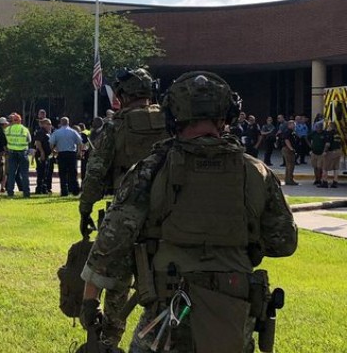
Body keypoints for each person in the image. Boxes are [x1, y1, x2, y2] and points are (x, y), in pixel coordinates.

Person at [79, 71, 298, 352]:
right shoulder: (256, 172)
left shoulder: (151, 169)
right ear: (227, 116)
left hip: (169, 308)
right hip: (233, 310)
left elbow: (111, 242)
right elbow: (284, 242)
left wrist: (89, 301)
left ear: (173, 116)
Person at [77, 68, 168, 346]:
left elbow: (95, 172)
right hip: (169, 215)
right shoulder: (171, 122)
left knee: (116, 282)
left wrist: (85, 208)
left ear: (122, 95)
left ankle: (109, 341)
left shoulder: (115, 126)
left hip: (126, 213)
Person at [50, 117, 83, 196]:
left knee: (62, 173)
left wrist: (53, 151)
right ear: (68, 123)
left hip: (61, 154)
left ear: (61, 123)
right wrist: (79, 152)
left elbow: (51, 143)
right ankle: (75, 190)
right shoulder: (73, 132)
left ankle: (64, 191)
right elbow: (80, 142)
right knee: (73, 172)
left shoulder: (57, 132)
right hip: (72, 154)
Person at [4, 112, 31, 198]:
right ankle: (26, 193)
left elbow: (5, 139)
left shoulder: (8, 129)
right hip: (23, 152)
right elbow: (29, 140)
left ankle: (10, 192)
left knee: (11, 173)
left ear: (12, 120)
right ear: (20, 120)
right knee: (24, 174)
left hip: (12, 152)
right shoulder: (24, 129)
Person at [33, 118, 54, 194]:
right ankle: (39, 189)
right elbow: (38, 143)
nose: (50, 126)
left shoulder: (48, 132)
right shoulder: (41, 132)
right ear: (44, 124)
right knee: (41, 172)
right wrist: (42, 152)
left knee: (45, 172)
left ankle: (44, 188)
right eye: (48, 124)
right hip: (41, 155)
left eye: (50, 124)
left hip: (47, 155)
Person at [322, 121, 343, 188]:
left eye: (328, 126)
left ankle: (324, 182)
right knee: (336, 168)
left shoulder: (329, 133)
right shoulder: (338, 134)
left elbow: (327, 144)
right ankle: (335, 182)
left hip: (331, 152)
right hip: (338, 151)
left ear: (331, 126)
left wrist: (324, 151)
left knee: (325, 168)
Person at [279, 120, 299, 185]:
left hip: (290, 149)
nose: (294, 125)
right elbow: (286, 140)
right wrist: (291, 148)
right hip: (288, 149)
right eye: (293, 124)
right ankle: (289, 180)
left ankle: (288, 179)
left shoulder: (292, 132)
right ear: (289, 125)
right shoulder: (288, 131)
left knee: (290, 165)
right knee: (290, 165)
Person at [309, 121, 327, 186]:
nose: (318, 128)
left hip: (321, 153)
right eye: (317, 127)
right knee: (315, 167)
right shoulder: (313, 133)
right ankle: (316, 179)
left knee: (320, 167)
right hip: (314, 153)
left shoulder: (325, 134)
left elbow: (327, 143)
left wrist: (325, 151)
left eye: (319, 127)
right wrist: (310, 146)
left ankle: (320, 179)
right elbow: (306, 138)